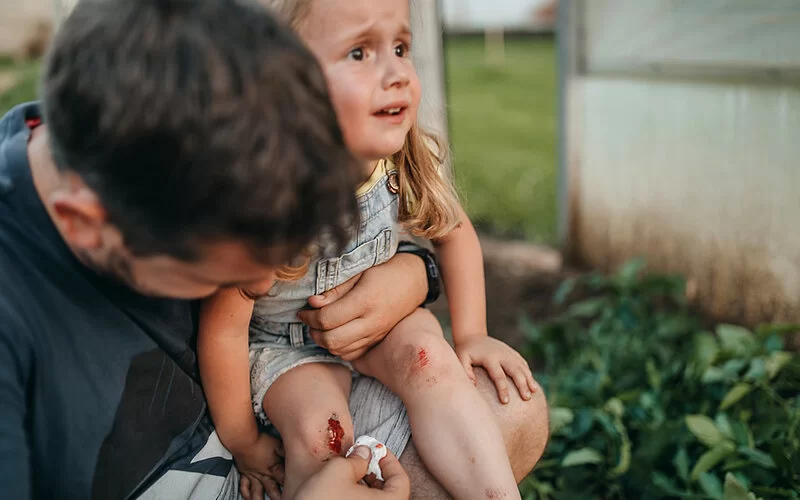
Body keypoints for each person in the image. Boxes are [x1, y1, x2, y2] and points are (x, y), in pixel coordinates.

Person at [0, 0, 549, 499]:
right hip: (262, 445)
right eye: (223, 268)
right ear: (87, 224)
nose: (266, 286)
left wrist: (416, 270)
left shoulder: (149, 155)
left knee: (510, 408)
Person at [198, 0, 538, 498]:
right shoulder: (263, 204)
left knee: (429, 358)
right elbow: (223, 331)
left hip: (384, 324)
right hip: (284, 348)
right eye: (360, 52)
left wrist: (472, 334)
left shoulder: (402, 159)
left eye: (401, 48)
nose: (397, 72)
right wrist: (244, 442)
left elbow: (454, 232)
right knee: (321, 433)